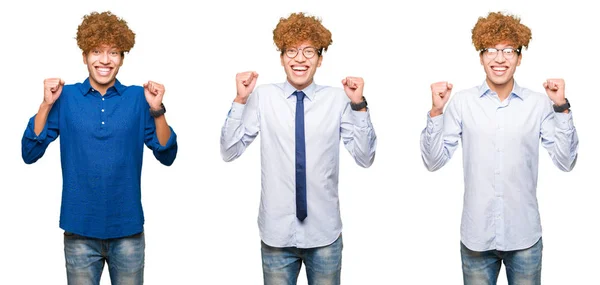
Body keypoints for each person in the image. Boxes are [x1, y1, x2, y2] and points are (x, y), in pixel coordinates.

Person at [420, 11, 579, 285]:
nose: (500, 58)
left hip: (525, 237)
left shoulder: (539, 104)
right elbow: (433, 161)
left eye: (508, 50)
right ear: (481, 56)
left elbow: (566, 161)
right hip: (477, 238)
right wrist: (436, 110)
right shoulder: (461, 102)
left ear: (519, 57)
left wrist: (561, 107)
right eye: (491, 50)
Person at [21, 11, 177, 285]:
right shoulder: (66, 97)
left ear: (122, 58)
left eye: (113, 52)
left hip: (127, 230)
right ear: (84, 56)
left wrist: (157, 109)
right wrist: (46, 104)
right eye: (96, 51)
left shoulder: (137, 98)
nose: (105, 60)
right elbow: (29, 152)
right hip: (80, 230)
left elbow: (167, 154)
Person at [220, 12, 377, 285]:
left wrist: (359, 106)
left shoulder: (338, 100)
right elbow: (229, 150)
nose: (300, 59)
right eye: (291, 51)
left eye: (308, 51)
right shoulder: (263, 97)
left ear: (320, 58)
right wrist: (240, 100)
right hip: (276, 236)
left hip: (324, 235)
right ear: (281, 57)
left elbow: (365, 158)